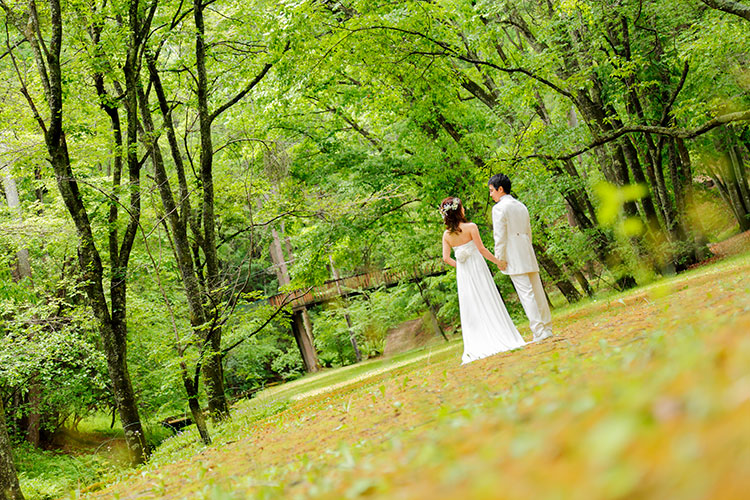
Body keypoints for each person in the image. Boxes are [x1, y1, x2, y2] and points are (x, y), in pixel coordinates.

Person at [440, 197, 526, 364]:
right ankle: (499, 332)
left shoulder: (446, 235)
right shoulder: (471, 227)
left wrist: (461, 268)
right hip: (478, 268)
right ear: (459, 210)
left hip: (463, 273)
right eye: (462, 207)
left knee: (470, 304)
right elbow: (481, 249)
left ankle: (478, 341)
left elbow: (445, 258)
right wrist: (498, 261)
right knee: (487, 297)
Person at [489, 174, 553, 342]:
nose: (491, 195)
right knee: (537, 292)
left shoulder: (499, 209)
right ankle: (547, 328)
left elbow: (500, 236)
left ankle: (538, 331)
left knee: (526, 294)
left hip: (512, 253)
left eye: (491, 190)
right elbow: (528, 231)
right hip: (526, 250)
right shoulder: (521, 205)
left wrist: (499, 258)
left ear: (500, 189)